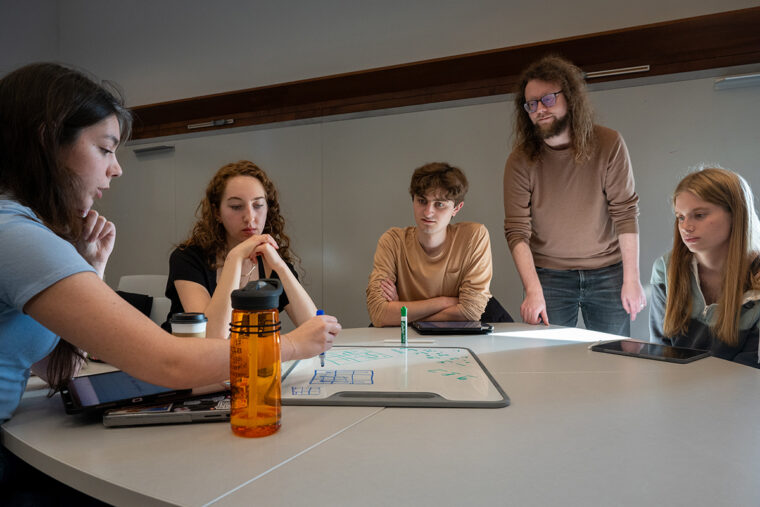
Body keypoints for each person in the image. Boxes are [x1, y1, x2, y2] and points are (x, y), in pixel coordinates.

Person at [0, 63, 340, 501]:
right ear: (47, 142)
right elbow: (170, 363)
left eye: (258, 205)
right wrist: (292, 346)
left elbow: (58, 370)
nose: (116, 169)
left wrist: (91, 269)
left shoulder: (23, 229)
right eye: (105, 149)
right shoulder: (17, 234)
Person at [503, 55, 647, 336]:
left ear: (569, 97)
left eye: (547, 99)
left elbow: (625, 213)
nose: (539, 109)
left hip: (608, 271)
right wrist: (533, 291)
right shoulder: (520, 160)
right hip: (549, 275)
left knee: (612, 358)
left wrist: (632, 279)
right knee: (548, 362)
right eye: (531, 104)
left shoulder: (609, 143)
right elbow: (517, 231)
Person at [165, 161, 316, 339]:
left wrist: (280, 266)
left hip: (246, 360)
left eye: (258, 205)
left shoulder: (270, 260)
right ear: (217, 213)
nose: (249, 217)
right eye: (236, 207)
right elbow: (211, 338)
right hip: (188, 362)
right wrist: (235, 258)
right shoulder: (187, 258)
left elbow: (314, 328)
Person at [650, 167, 760, 367]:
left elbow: (751, 368)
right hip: (676, 389)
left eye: (699, 215)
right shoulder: (665, 269)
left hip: (740, 393)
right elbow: (659, 350)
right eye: (680, 217)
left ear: (736, 214)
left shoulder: (756, 279)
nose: (685, 227)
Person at [366, 162, 492, 327]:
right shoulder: (393, 241)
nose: (428, 212)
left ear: (456, 208)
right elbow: (379, 314)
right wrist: (446, 302)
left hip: (466, 330)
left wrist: (402, 313)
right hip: (412, 335)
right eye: (422, 201)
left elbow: (471, 311)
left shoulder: (473, 236)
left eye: (439, 204)